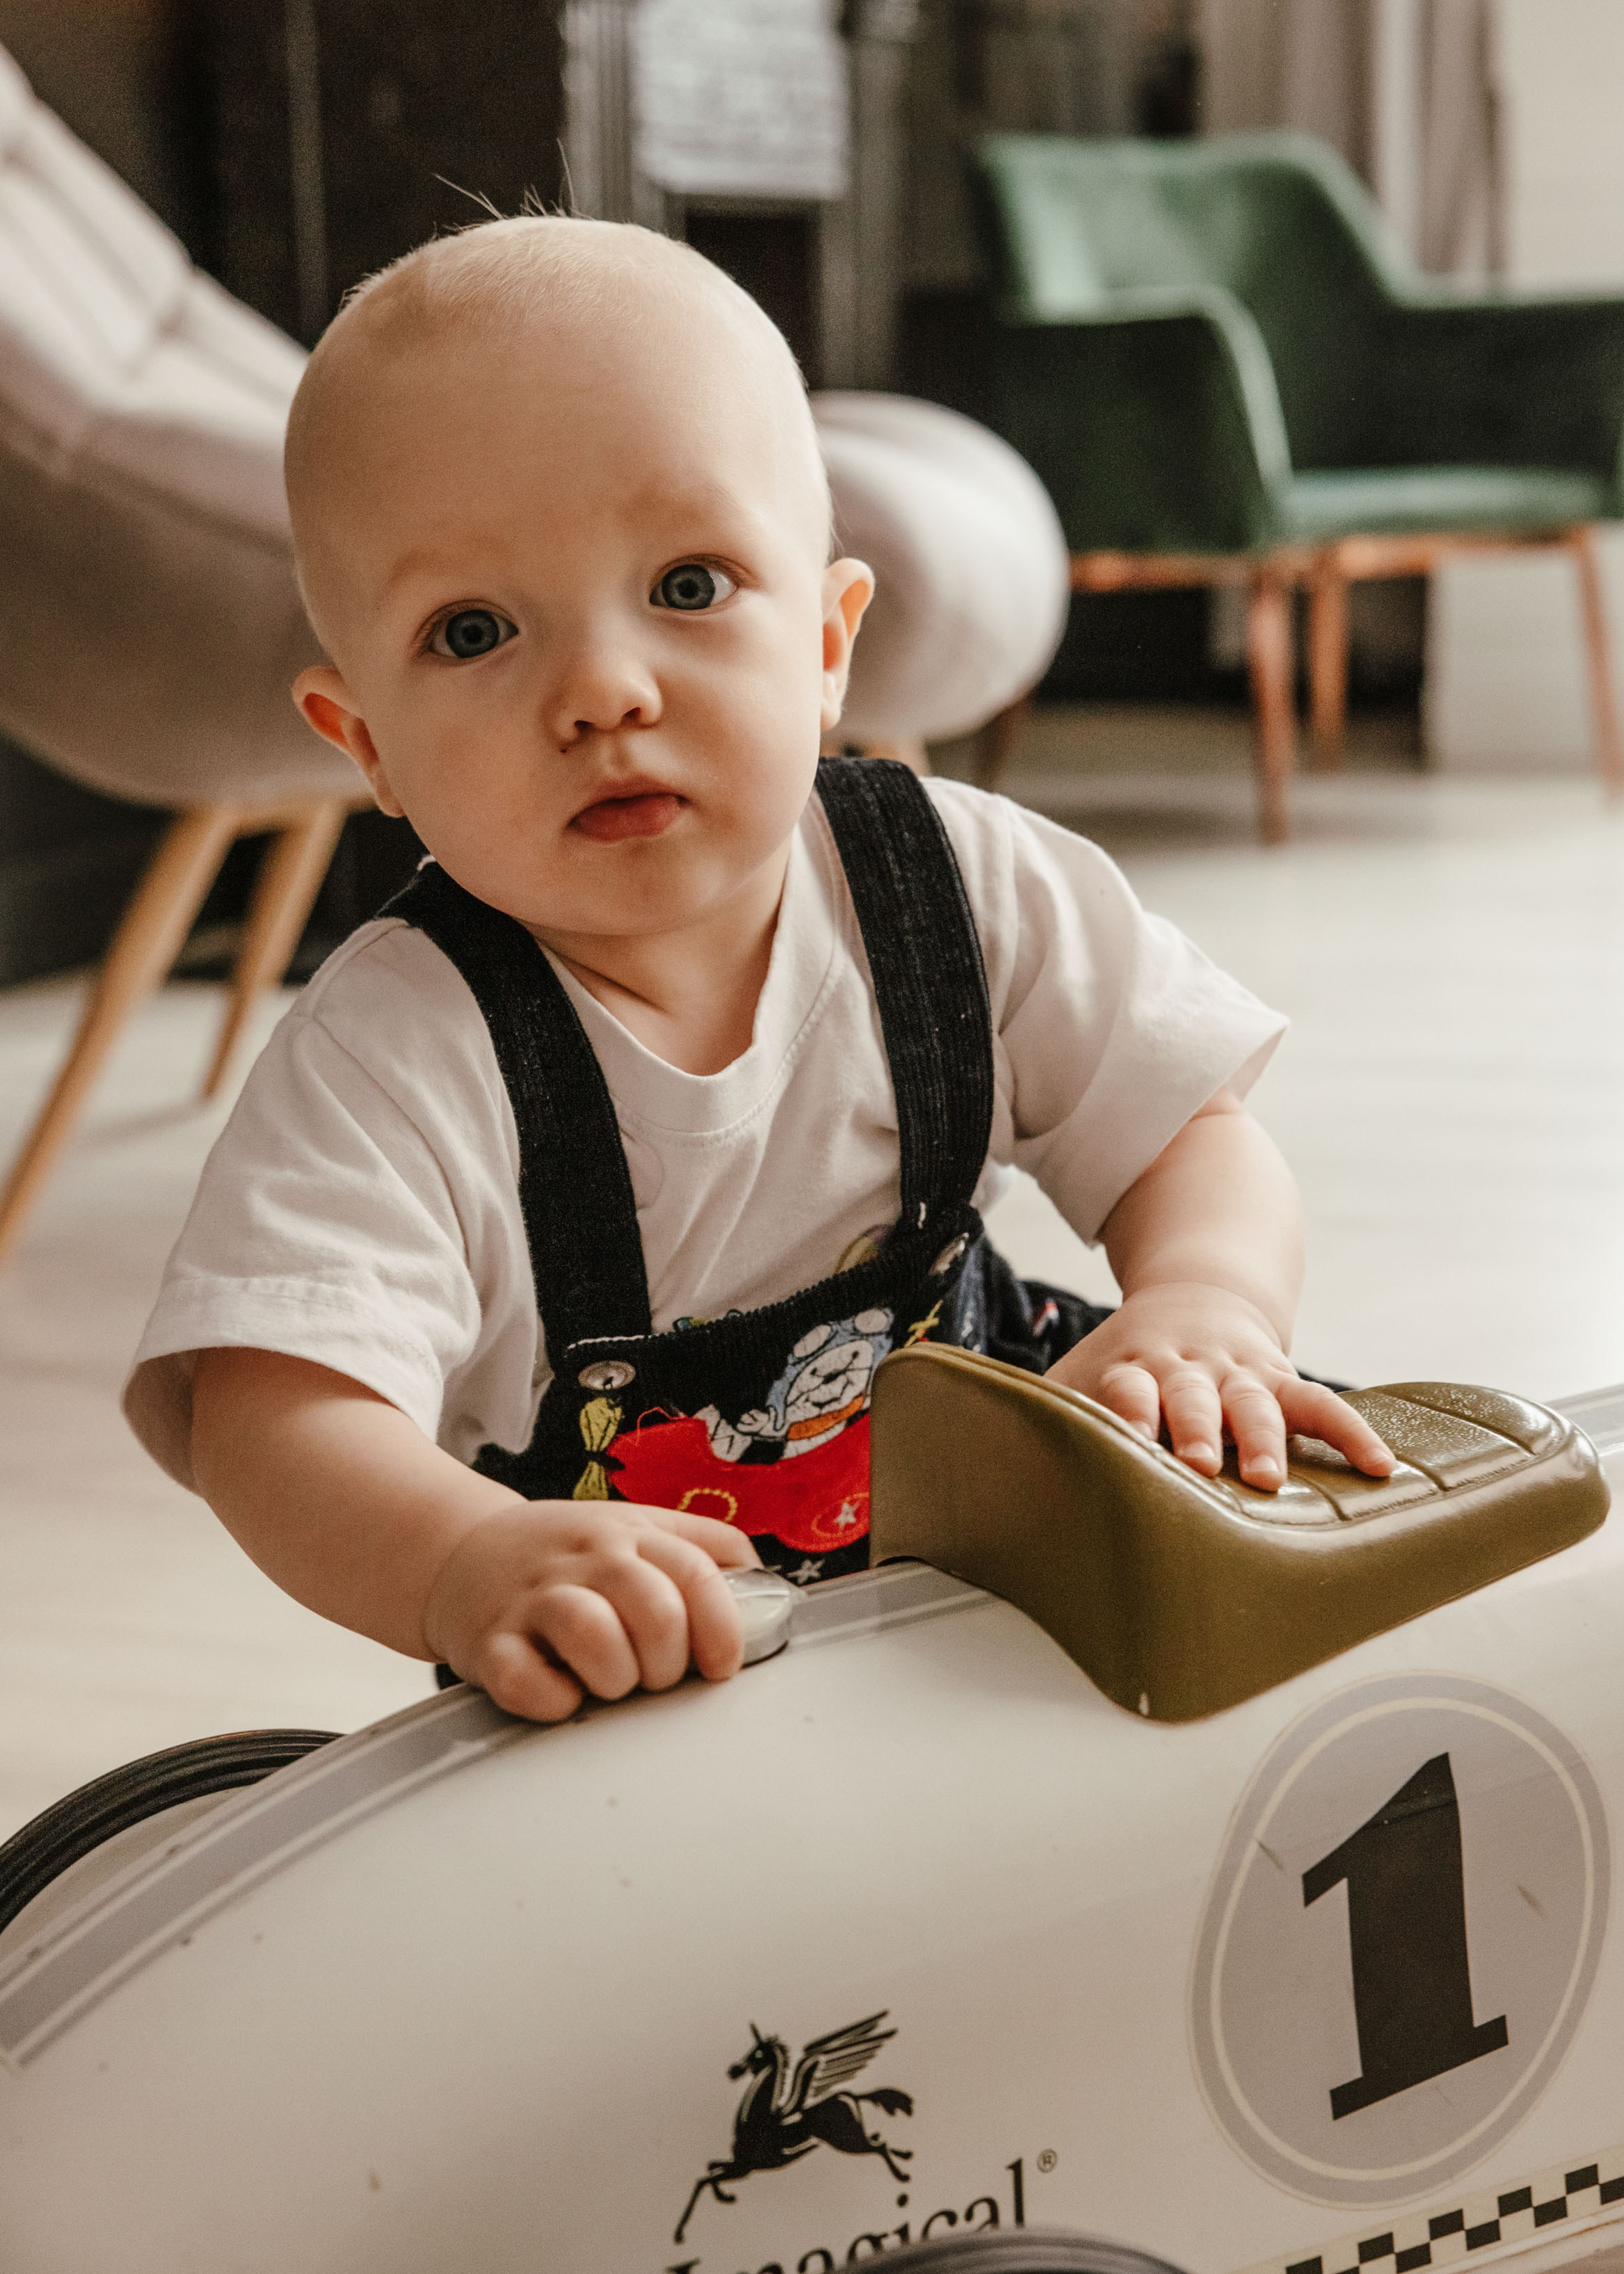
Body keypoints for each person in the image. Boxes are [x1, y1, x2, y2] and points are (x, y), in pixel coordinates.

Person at [124, 216, 1392, 1727]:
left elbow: (1184, 1129)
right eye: (474, 631)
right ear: (366, 745)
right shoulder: (397, 1051)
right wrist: (463, 1555)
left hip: (1015, 1585)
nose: (603, 689)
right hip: (650, 1689)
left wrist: (1204, 1299)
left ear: (830, 640)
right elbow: (273, 1413)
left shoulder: (958, 889)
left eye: (688, 584)